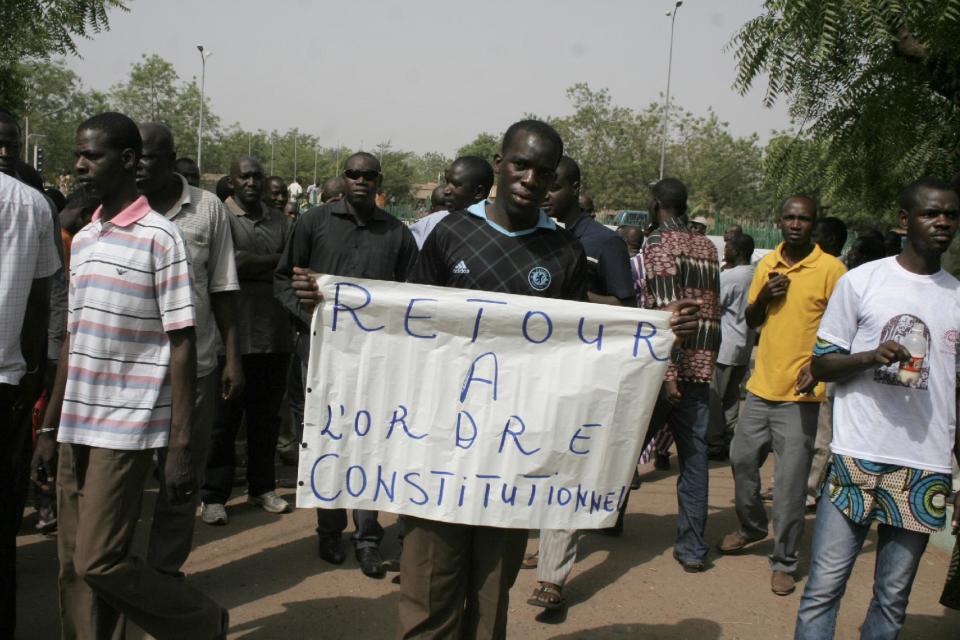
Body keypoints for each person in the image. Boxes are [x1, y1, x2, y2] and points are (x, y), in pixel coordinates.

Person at [31, 111, 227, 639]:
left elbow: (182, 342)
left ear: (126, 161)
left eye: (90, 155)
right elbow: (72, 338)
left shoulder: (161, 238)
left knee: (101, 560)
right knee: (72, 566)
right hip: (76, 423)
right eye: (78, 154)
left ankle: (201, 621)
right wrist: (49, 428)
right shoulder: (87, 236)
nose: (79, 165)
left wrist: (182, 443)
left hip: (127, 425)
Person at [794, 178, 960, 639]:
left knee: (892, 600)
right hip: (856, 456)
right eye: (931, 213)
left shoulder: (958, 297)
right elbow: (822, 365)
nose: (943, 221)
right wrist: (870, 356)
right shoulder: (862, 282)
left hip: (924, 467)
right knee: (824, 588)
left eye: (951, 214)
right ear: (905, 222)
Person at [274, 151, 418, 578]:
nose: (360, 180)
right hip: (319, 352)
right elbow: (284, 280)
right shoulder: (314, 222)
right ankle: (329, 530)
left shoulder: (397, 234)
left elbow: (412, 296)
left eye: (368, 175)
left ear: (378, 182)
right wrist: (311, 316)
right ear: (344, 178)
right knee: (328, 438)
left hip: (377, 359)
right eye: (353, 174)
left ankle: (369, 537)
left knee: (372, 442)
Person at [718, 196, 846, 596]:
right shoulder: (767, 264)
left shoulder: (831, 270)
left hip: (801, 396)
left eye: (803, 219)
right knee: (740, 460)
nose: (795, 224)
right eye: (789, 217)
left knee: (790, 486)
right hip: (760, 388)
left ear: (813, 224)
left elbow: (844, 328)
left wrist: (821, 364)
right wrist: (764, 296)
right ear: (780, 220)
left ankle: (785, 560)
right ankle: (753, 526)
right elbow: (752, 321)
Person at [526, 156, 638, 610]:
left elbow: (625, 306)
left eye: (556, 184)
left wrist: (573, 297)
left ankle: (552, 576)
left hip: (583, 372)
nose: (546, 190)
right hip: (533, 372)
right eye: (543, 184)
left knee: (567, 468)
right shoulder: (533, 235)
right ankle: (535, 544)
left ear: (575, 187)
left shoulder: (604, 242)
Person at [136, 123, 244, 575]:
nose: (137, 165)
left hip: (197, 366)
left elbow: (222, 287)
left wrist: (231, 358)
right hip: (131, 373)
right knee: (124, 480)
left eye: (147, 156)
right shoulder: (119, 206)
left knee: (181, 477)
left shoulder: (208, 209)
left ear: (170, 157)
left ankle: (164, 574)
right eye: (131, 156)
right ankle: (120, 572)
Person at [200, 156, 293, 525]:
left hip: (274, 335)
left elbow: (291, 265)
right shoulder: (218, 216)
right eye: (245, 176)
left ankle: (262, 487)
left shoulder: (280, 220)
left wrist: (256, 263)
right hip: (230, 337)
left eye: (258, 176)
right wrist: (269, 262)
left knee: (265, 419)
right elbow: (226, 265)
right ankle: (213, 496)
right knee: (223, 422)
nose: (252, 182)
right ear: (232, 181)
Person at [639, 178, 721, 573]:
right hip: (700, 370)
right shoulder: (707, 246)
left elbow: (666, 314)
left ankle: (605, 517)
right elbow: (709, 313)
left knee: (622, 452)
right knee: (694, 462)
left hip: (662, 373)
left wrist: (669, 376)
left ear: (655, 205)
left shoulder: (656, 245)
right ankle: (692, 548)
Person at [0, 164, 60, 638]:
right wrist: (36, 369)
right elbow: (42, 300)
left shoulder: (30, 202)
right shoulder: (29, 202)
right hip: (11, 380)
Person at [707, 232, 756, 460]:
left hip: (725, 344)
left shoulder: (732, 277)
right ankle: (729, 436)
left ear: (736, 251)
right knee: (731, 395)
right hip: (743, 345)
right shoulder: (754, 273)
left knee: (715, 395)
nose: (724, 251)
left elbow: (714, 305)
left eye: (727, 247)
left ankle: (715, 441)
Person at [409, 156, 494, 249]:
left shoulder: (497, 230)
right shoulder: (436, 225)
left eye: (455, 184)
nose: (446, 190)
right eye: (447, 182)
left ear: (478, 192)